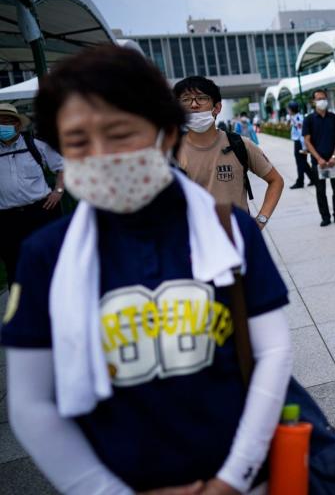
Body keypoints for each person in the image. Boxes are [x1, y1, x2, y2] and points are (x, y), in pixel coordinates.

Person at [2, 44, 293, 494]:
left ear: (163, 133)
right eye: (78, 141)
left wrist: (232, 479)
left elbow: (273, 353)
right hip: (122, 479)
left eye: (120, 133)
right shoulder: (47, 255)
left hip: (241, 475)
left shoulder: (231, 230)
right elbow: (30, 402)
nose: (101, 153)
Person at [175, 75, 284, 229]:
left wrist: (261, 220)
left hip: (239, 239)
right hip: (195, 244)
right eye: (186, 100)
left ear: (217, 107)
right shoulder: (170, 152)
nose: (193, 104)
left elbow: (276, 181)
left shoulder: (240, 144)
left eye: (201, 98)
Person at [0, 104, 65, 288]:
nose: (2, 126)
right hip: (7, 219)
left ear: (18, 125)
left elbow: (62, 167)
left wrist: (58, 191)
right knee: (14, 265)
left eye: (7, 122)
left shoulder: (35, 145)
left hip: (41, 212)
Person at [303, 90, 335, 226]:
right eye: (319, 98)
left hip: (334, 160)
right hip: (318, 161)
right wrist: (319, 159)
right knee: (320, 191)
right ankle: (325, 217)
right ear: (313, 102)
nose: (322, 101)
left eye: (324, 98)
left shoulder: (334, 117)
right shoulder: (308, 119)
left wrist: (334, 156)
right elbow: (307, 141)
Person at [287, 101, 313, 189]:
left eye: (288, 108)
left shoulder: (298, 118)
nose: (288, 110)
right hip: (299, 142)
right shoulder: (294, 117)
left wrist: (304, 147)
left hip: (300, 143)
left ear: (291, 109)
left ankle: (300, 181)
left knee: (300, 163)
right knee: (302, 162)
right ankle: (313, 178)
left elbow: (301, 133)